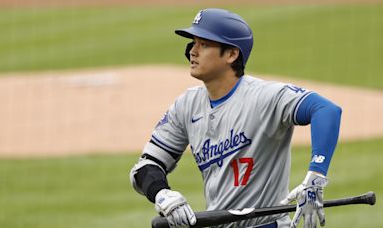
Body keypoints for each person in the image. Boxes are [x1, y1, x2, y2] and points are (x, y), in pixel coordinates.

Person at [130, 8, 342, 228]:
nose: (193, 51)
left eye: (204, 44)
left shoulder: (263, 98)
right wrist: (162, 194)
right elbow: (146, 166)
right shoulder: (186, 106)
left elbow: (326, 110)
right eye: (193, 43)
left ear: (232, 54)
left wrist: (316, 176)